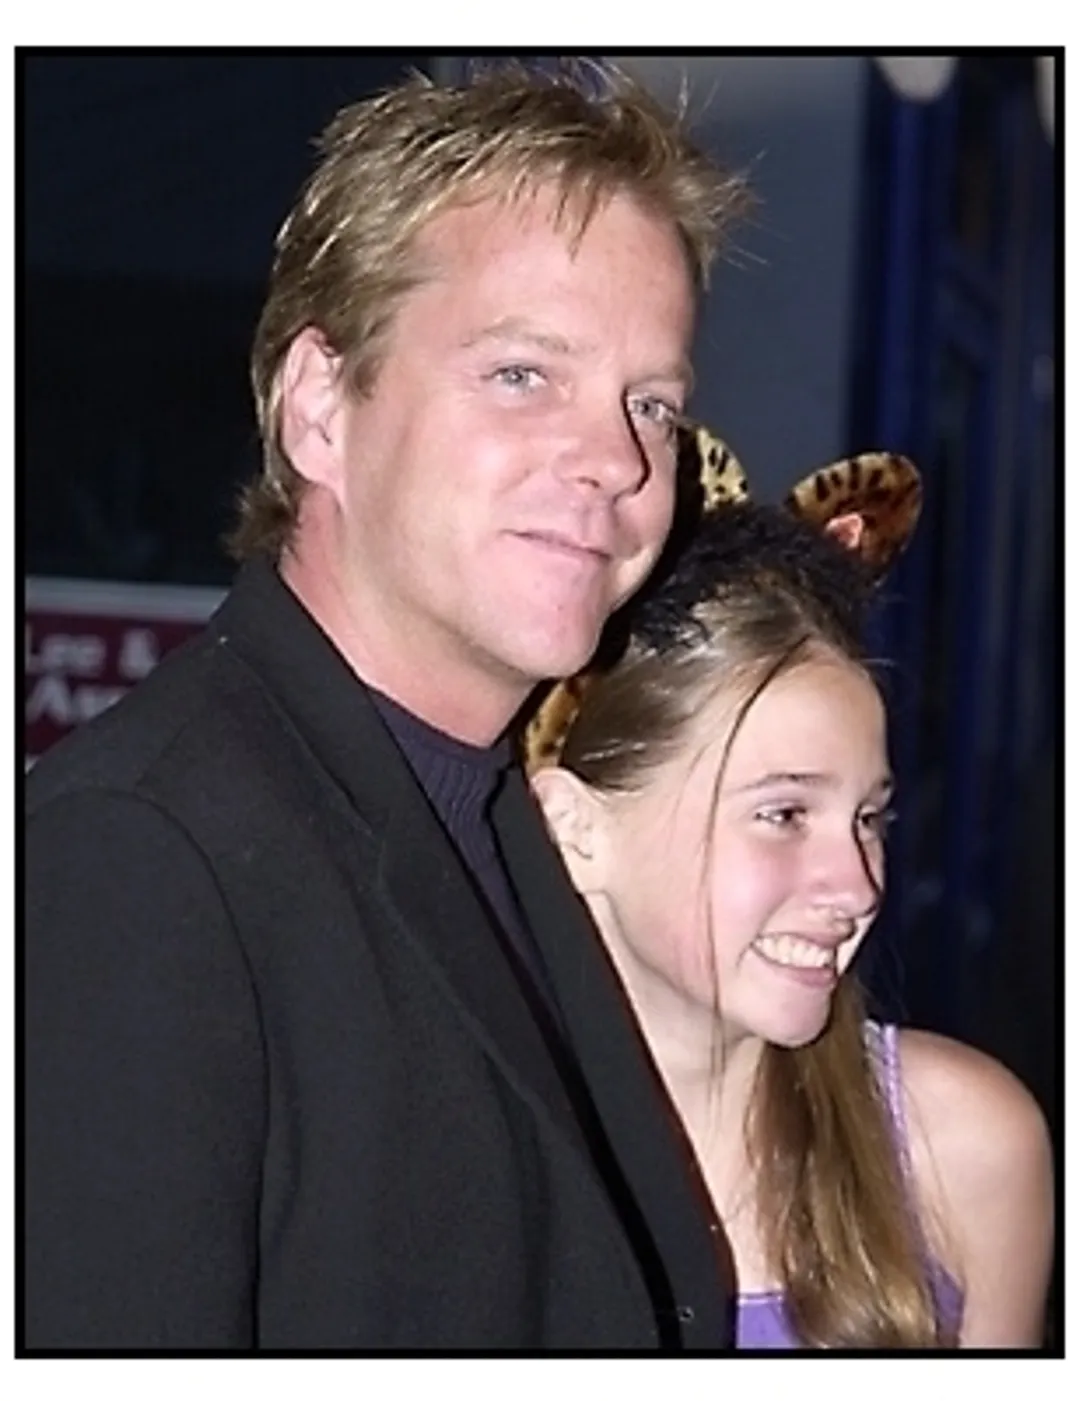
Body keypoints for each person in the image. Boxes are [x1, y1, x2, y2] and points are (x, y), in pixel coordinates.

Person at [24, 62, 752, 1350]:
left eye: (653, 401)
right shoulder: (140, 852)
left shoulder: (497, 813)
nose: (619, 460)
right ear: (318, 406)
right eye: (525, 374)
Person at [527, 440, 1055, 1349]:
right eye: (781, 813)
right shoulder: (446, 1163)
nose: (856, 885)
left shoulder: (959, 1152)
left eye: (870, 819)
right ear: (577, 827)